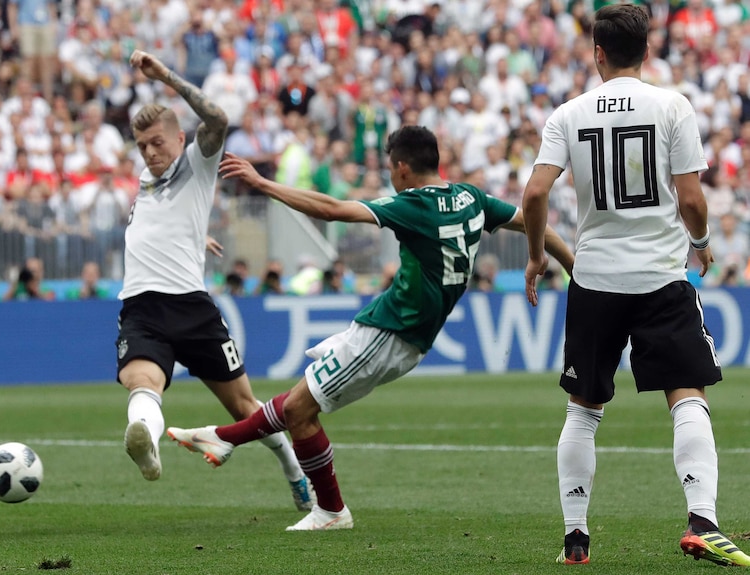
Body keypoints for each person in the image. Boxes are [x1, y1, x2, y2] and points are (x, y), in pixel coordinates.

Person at [168, 125, 576, 531]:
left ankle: (294, 486)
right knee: (299, 403)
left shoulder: (413, 205)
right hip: (383, 323)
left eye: (389, 168)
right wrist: (568, 265)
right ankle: (227, 442)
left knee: (298, 410)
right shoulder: (471, 197)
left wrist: (262, 183)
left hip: (392, 335)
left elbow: (331, 209)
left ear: (401, 168)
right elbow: (531, 219)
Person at [522, 5, 750, 567]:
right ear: (646, 51)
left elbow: (533, 196)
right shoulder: (673, 106)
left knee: (583, 410)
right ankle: (702, 520)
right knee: (687, 395)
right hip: (659, 277)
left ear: (597, 53)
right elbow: (692, 200)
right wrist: (698, 241)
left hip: (594, 276)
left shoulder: (568, 114)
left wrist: (535, 257)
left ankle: (576, 538)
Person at [116, 49, 314, 512]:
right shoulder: (145, 183)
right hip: (141, 308)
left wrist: (164, 75)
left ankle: (293, 470)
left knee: (245, 408)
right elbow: (161, 225)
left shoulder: (196, 162)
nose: (150, 152)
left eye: (157, 142)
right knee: (141, 383)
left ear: (179, 137)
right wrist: (194, 236)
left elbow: (219, 117)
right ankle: (145, 440)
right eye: (142, 145)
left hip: (191, 307)